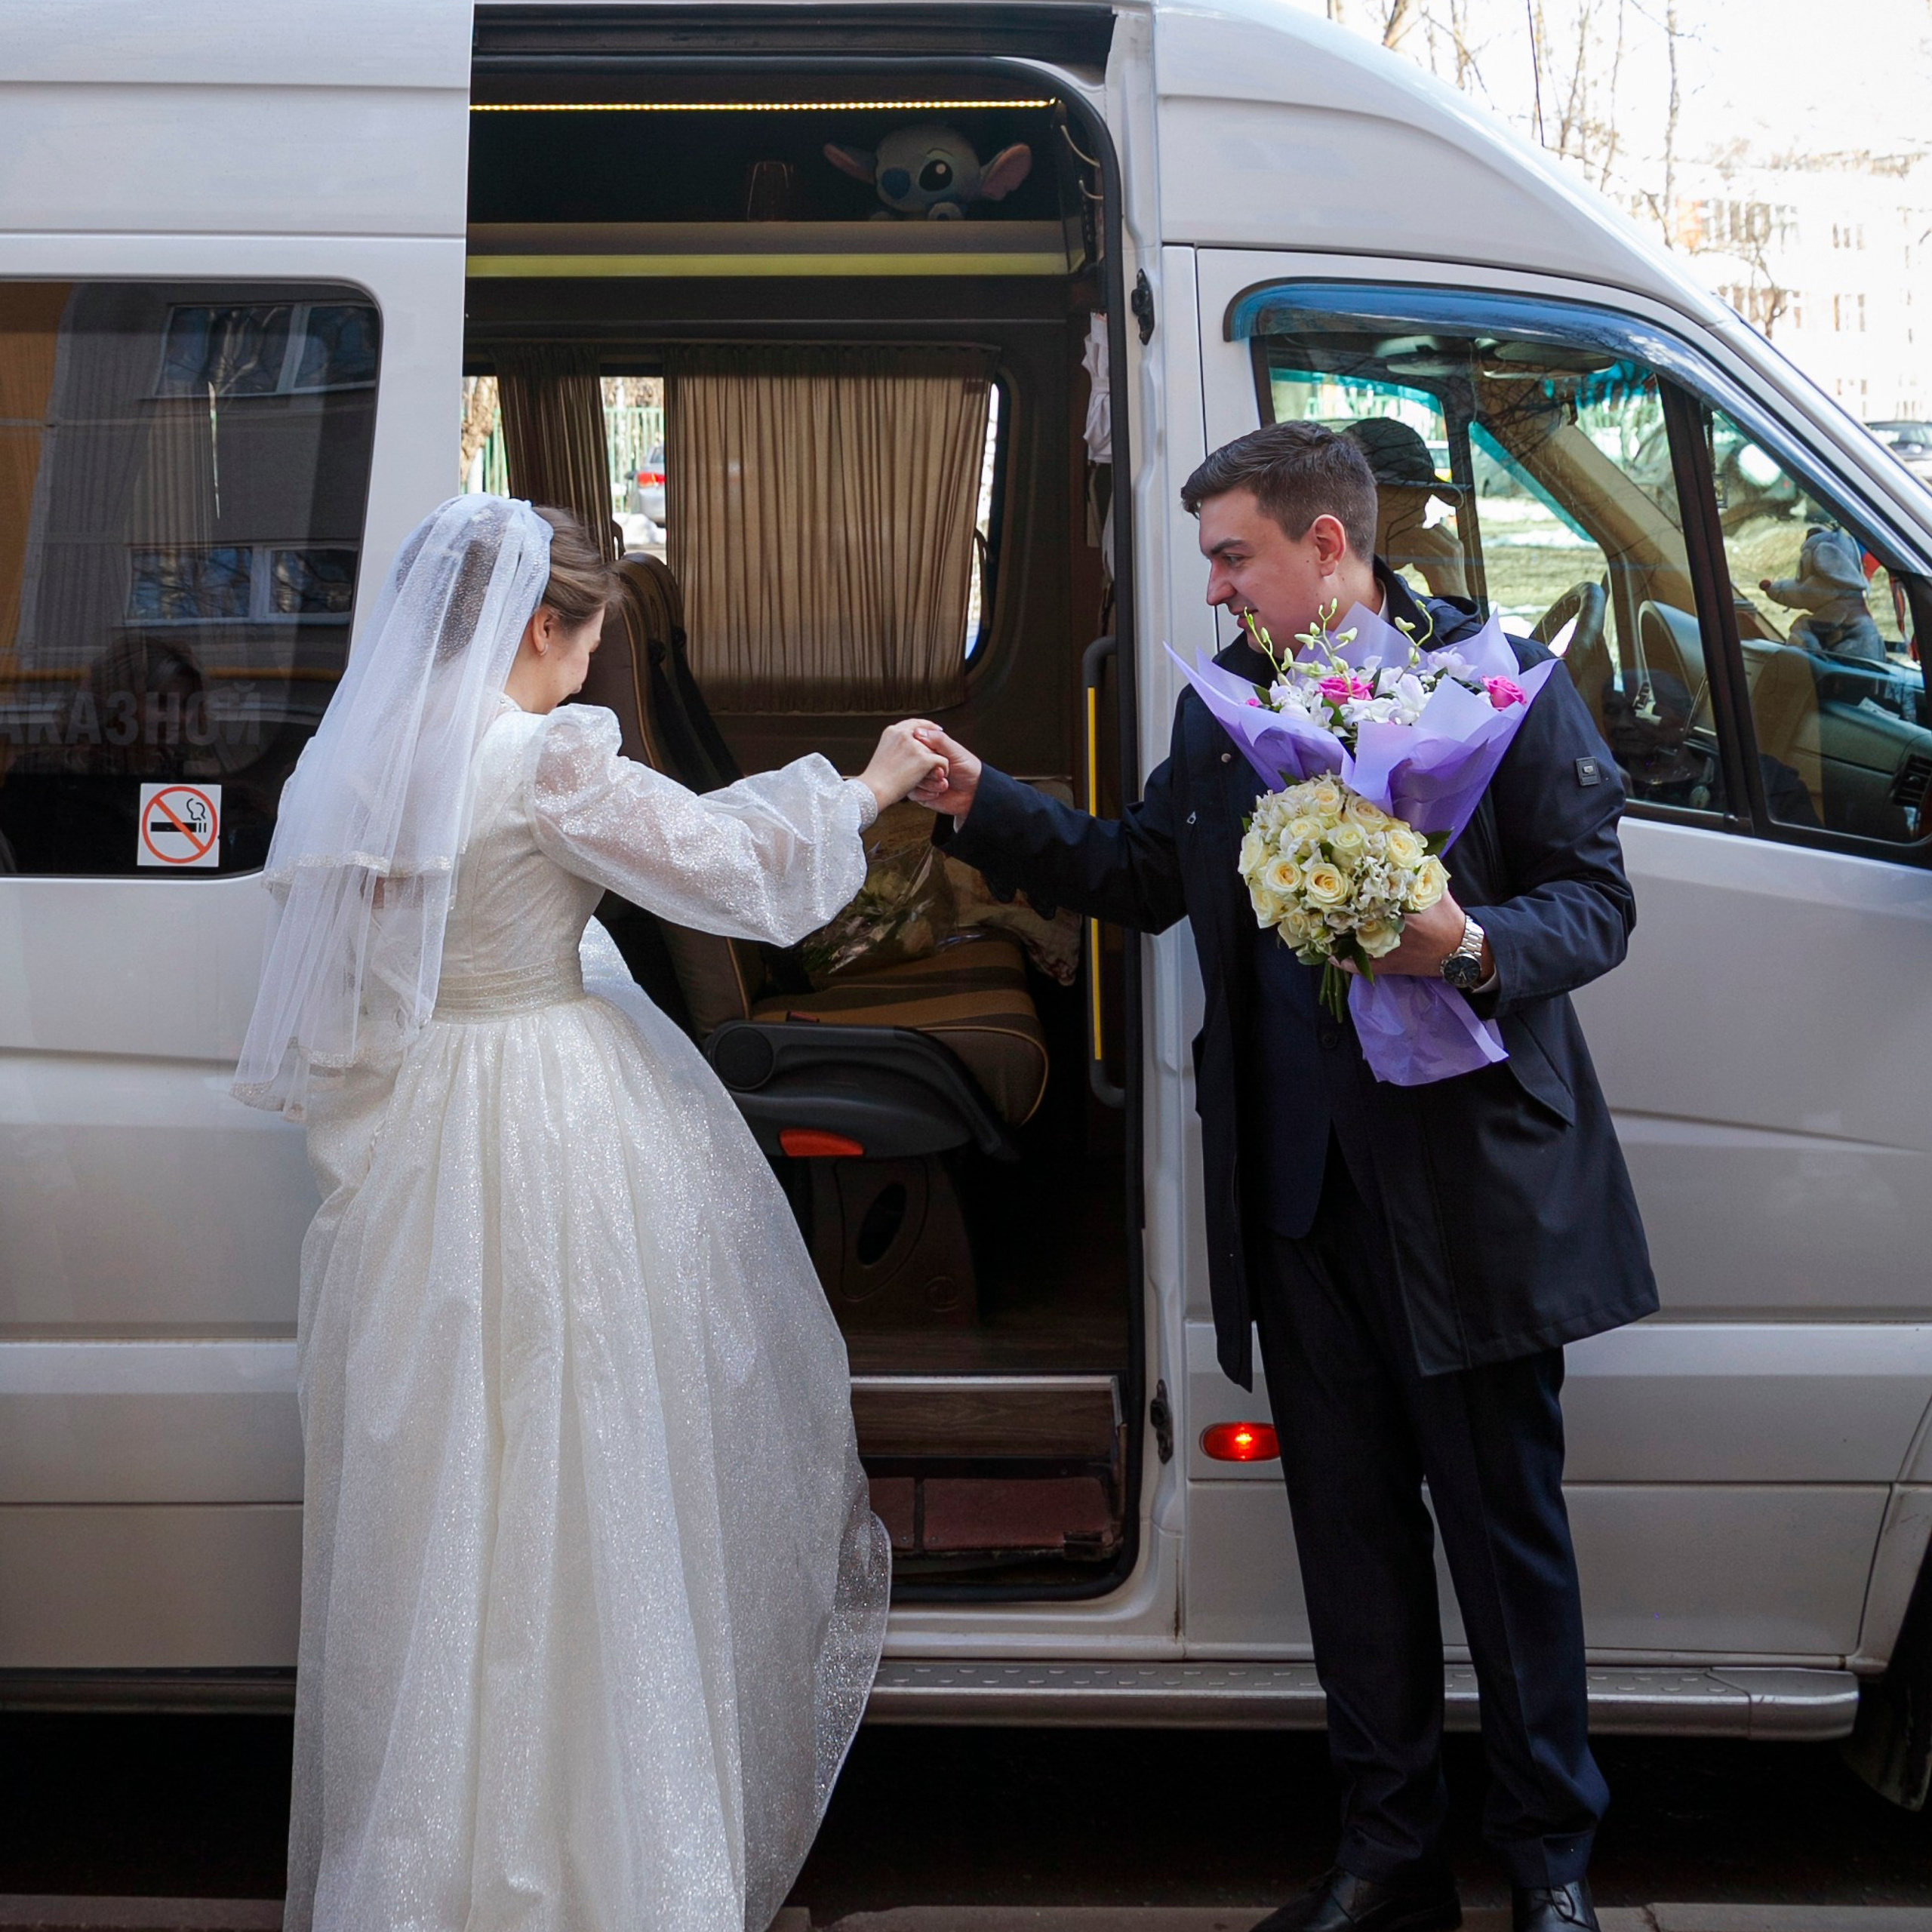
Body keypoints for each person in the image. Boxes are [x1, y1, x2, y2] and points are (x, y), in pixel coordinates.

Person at [908, 423, 1657, 1932]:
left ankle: (1548, 1867)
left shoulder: (1496, 684)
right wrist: (979, 801)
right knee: (1351, 1544)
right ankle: (1385, 1856)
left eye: (1231, 552)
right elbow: (1139, 873)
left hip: (1472, 1204)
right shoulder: (1229, 704)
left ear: (1330, 547)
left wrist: (1470, 941)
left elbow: (1594, 900)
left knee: (1510, 1550)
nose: (1213, 581)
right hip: (1297, 1204)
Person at [233, 495, 945, 1932]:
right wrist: (867, 785)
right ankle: (606, 1867)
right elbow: (727, 868)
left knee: (452, 1504)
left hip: (425, 1140)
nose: (588, 673)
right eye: (588, 643)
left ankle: (441, 1865)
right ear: (541, 628)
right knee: (589, 1478)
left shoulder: (354, 767)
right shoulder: (542, 759)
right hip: (550, 1130)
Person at [1345, 416, 1470, 601]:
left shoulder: (1384, 595)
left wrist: (1454, 593)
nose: (1420, 515)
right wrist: (1457, 596)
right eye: (1404, 501)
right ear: (1353, 504)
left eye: (1424, 499)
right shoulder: (1330, 601)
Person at [1759, 525, 1886, 663]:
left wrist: (1803, 639)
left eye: (1804, 578)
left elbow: (1823, 674)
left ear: (1834, 576)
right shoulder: (1839, 619)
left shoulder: (1849, 625)